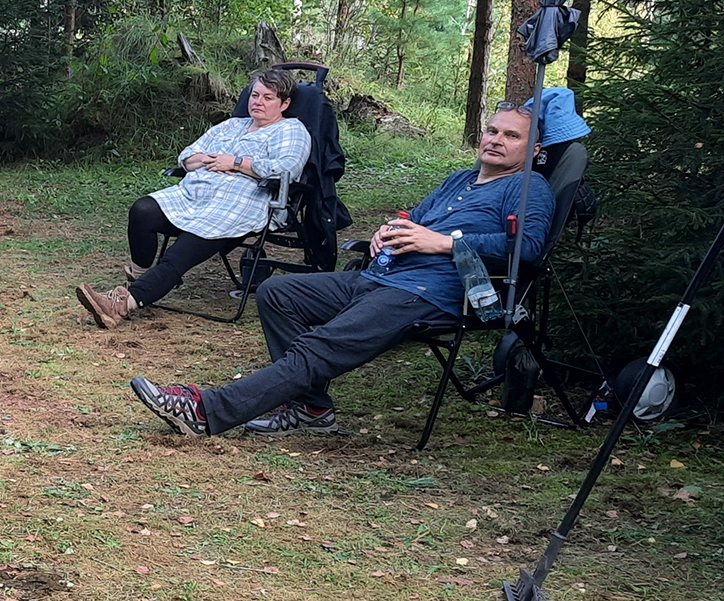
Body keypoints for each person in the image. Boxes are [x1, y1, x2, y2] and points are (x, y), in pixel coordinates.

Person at [129, 103, 553, 437]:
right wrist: (389, 230)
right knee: (279, 294)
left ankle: (207, 411)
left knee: (321, 344)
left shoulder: (529, 189)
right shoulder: (460, 179)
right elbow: (414, 219)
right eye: (492, 131)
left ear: (533, 150)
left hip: (432, 292)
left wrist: (443, 243)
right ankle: (311, 407)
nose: (496, 140)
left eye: (511, 136)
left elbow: (528, 250)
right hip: (382, 277)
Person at [74, 69, 312, 327]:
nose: (258, 102)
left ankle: (121, 305)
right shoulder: (233, 125)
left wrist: (236, 162)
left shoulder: (291, 130)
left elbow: (287, 169)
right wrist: (205, 159)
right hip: (193, 194)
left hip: (239, 204)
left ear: (284, 103)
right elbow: (187, 156)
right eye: (255, 95)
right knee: (143, 210)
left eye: (268, 98)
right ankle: (141, 278)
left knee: (182, 249)